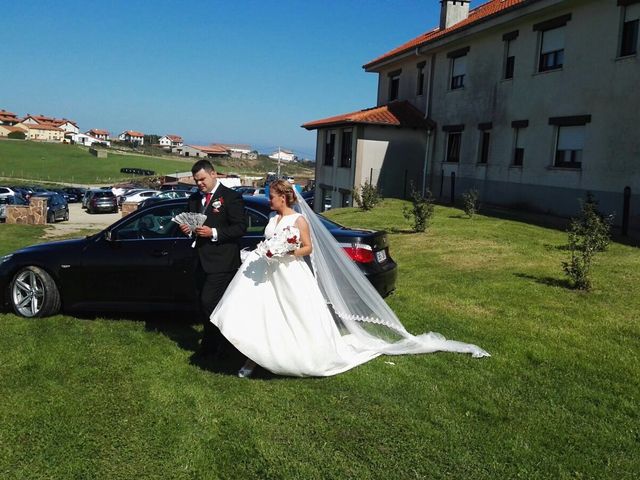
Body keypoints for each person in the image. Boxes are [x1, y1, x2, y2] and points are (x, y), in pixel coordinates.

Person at [211, 180, 489, 378]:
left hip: (289, 272)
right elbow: (269, 242)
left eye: (271, 196)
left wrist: (288, 251)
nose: (269, 200)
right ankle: (255, 357)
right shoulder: (272, 219)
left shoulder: (299, 221)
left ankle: (293, 354)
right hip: (266, 273)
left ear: (283, 197)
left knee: (294, 316)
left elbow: (308, 248)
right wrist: (269, 250)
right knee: (262, 314)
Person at [180, 160, 247, 358]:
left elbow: (240, 228)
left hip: (223, 261)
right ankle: (213, 344)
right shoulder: (194, 199)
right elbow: (192, 227)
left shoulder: (231, 197)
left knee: (209, 302)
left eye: (202, 179)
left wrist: (214, 232)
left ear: (213, 174)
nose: (199, 183)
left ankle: (219, 343)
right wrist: (187, 230)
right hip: (200, 259)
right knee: (203, 305)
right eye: (196, 180)